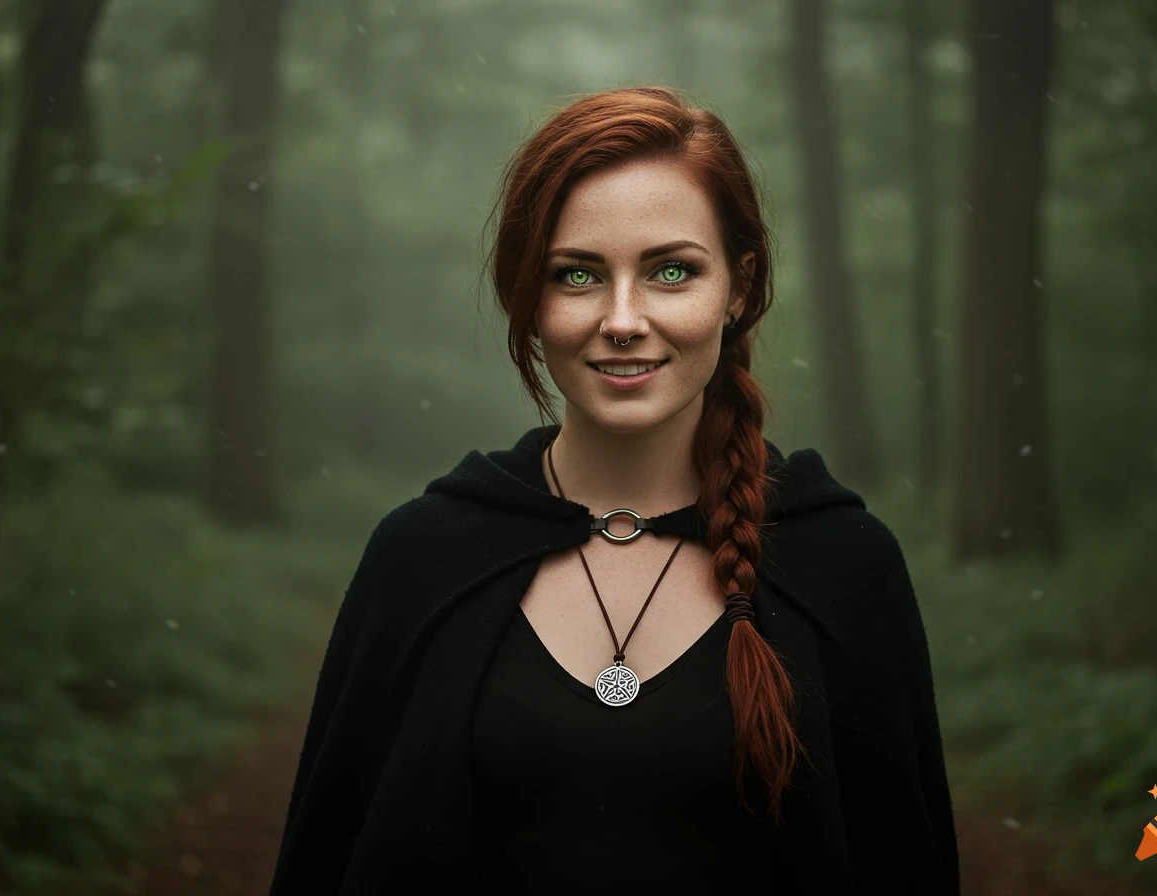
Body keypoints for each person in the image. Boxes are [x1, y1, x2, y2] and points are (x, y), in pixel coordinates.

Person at [268, 86, 959, 895]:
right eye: (577, 275)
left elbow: (902, 862)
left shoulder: (843, 564)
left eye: (671, 271)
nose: (623, 318)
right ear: (529, 298)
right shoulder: (423, 557)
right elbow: (335, 853)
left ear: (737, 288)